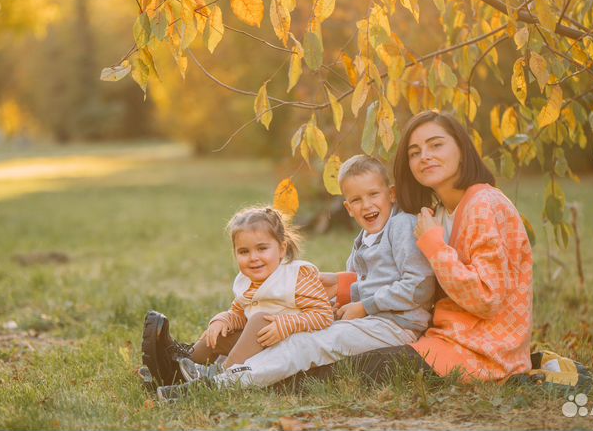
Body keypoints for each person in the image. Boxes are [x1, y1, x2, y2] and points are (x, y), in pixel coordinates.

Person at [163, 155, 436, 392]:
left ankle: (224, 381)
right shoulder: (364, 239)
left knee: (307, 346)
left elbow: (418, 286)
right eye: (356, 199)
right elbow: (360, 285)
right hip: (371, 321)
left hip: (397, 326)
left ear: (391, 194)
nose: (366, 205)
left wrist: (365, 306)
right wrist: (327, 301)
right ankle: (202, 367)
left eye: (373, 195)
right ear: (348, 208)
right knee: (294, 332)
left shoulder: (401, 225)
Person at [319, 110, 534, 383]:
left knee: (357, 368)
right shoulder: (438, 213)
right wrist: (343, 285)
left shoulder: (485, 204)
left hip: (483, 350)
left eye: (436, 145)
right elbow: (411, 277)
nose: (425, 156)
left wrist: (433, 245)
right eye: (415, 152)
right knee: (342, 347)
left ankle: (269, 381)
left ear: (461, 149)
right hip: (442, 337)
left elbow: (486, 299)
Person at [155, 206, 334, 400]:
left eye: (262, 248)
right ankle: (179, 365)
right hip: (258, 343)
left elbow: (324, 315)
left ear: (282, 249)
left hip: (288, 344)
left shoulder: (296, 277)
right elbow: (240, 314)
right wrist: (223, 320)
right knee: (221, 333)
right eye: (243, 251)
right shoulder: (247, 281)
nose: (253, 258)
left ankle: (221, 375)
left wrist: (286, 324)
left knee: (259, 320)